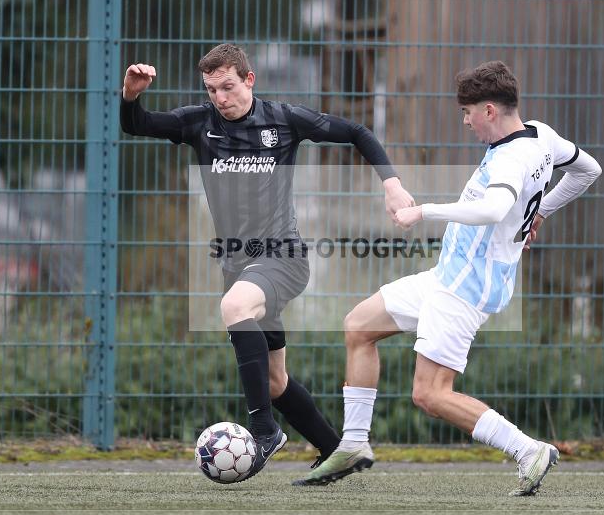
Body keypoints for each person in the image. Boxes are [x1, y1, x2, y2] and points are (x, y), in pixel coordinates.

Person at [296, 60, 601, 495]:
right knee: (359, 325)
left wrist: (425, 211)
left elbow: (493, 210)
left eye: (468, 112)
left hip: (465, 288)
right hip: (448, 276)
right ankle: (354, 443)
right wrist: (541, 213)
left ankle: (528, 449)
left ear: (490, 110)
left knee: (431, 395)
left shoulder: (512, 159)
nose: (466, 122)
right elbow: (589, 169)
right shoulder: (541, 134)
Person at [119, 43, 414, 479]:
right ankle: (338, 450)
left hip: (283, 258)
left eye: (228, 86)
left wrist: (391, 185)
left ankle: (264, 431)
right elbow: (138, 125)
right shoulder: (199, 123)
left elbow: (357, 132)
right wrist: (131, 95)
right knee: (275, 381)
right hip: (238, 266)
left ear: (249, 79)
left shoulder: (283, 120)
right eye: (212, 89)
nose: (221, 97)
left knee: (235, 307)